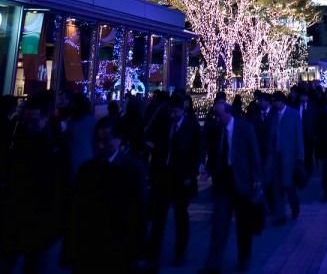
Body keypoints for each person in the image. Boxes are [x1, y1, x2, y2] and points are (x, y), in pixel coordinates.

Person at [61, 114, 148, 274]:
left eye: (106, 141)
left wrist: (140, 252)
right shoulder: (87, 169)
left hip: (119, 243)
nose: (101, 146)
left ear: (118, 139)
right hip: (89, 243)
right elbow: (76, 210)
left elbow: (139, 212)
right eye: (98, 141)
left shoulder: (133, 169)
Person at [0, 91, 70, 274]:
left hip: (35, 220)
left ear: (45, 118)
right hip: (23, 217)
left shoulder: (52, 147)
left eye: (33, 120)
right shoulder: (20, 140)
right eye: (26, 120)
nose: (28, 125)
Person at [201, 99, 262, 274]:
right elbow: (214, 154)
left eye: (219, 115)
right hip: (223, 183)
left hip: (243, 183)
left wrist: (257, 178)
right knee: (219, 224)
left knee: (244, 226)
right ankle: (213, 264)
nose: (217, 118)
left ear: (228, 114)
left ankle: (244, 260)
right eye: (215, 115)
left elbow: (254, 153)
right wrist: (207, 169)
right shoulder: (216, 130)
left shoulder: (244, 128)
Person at [147, 92, 202, 269]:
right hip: (162, 176)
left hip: (181, 178)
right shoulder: (164, 125)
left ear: (182, 111)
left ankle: (181, 250)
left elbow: (197, 153)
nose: (172, 115)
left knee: (180, 215)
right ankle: (153, 255)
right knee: (159, 217)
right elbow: (153, 145)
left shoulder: (191, 126)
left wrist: (191, 175)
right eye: (170, 111)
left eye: (175, 112)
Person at [269, 90, 304, 225]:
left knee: (289, 185)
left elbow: (299, 135)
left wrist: (300, 155)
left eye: (275, 101)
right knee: (277, 187)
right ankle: (280, 215)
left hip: (289, 156)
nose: (273, 104)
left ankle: (294, 205)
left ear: (281, 101)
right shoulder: (273, 115)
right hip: (275, 156)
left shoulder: (293, 114)